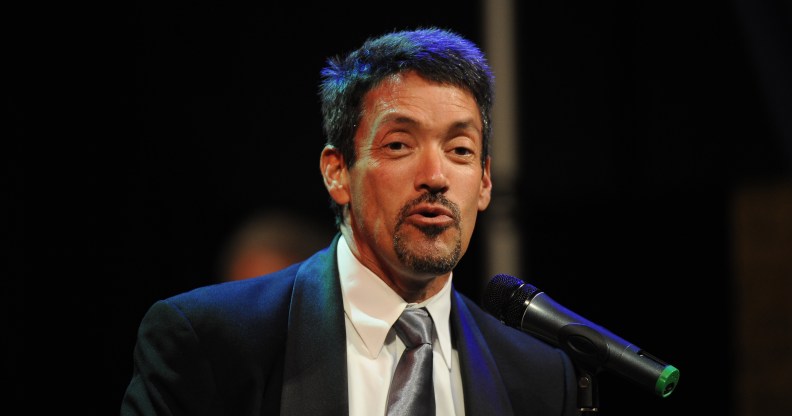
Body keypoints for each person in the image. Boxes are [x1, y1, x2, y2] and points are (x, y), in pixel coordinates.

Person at [121, 27, 580, 415]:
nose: (436, 177)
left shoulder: (538, 378)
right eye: (400, 144)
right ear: (337, 172)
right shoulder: (209, 343)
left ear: (484, 183)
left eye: (459, 150)